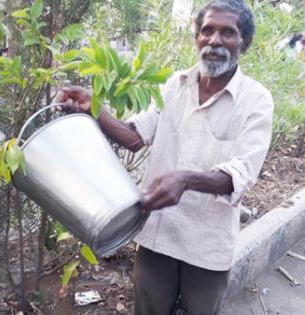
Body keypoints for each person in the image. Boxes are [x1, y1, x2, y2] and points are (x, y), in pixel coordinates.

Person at [57, 0, 274, 314]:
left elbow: (242, 171)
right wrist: (94, 109)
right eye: (208, 30)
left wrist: (185, 179)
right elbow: (135, 137)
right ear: (197, 37)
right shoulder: (176, 84)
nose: (214, 40)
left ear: (245, 43)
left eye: (227, 32)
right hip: (158, 236)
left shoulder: (256, 100)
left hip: (207, 246)